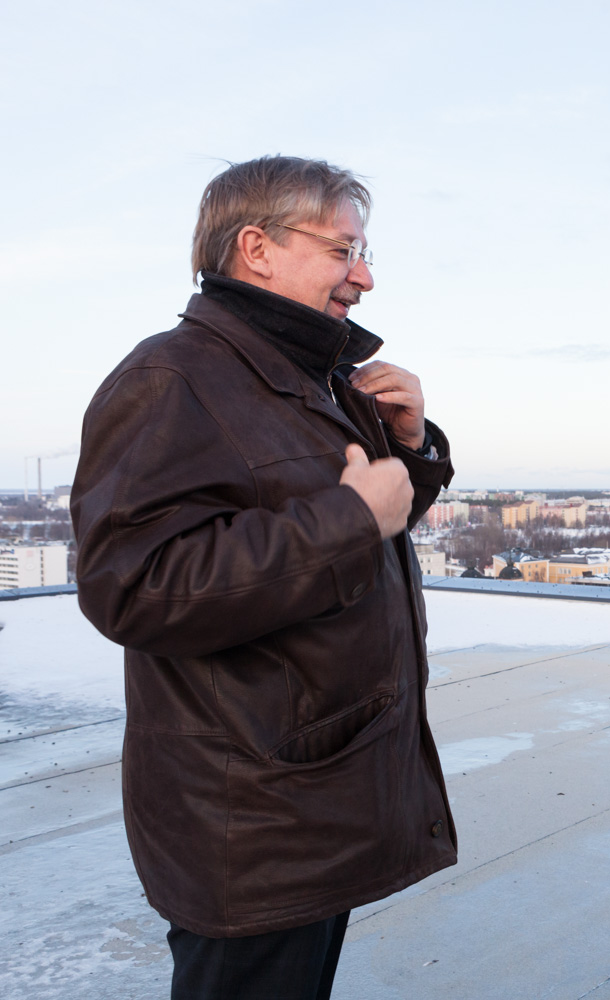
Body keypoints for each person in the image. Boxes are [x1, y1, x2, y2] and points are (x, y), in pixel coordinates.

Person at [71, 156, 458, 999]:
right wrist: (351, 517)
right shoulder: (170, 379)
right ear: (256, 247)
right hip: (249, 818)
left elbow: (361, 528)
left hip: (314, 793)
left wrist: (413, 448)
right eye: (343, 249)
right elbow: (133, 585)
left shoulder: (304, 377)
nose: (364, 276)